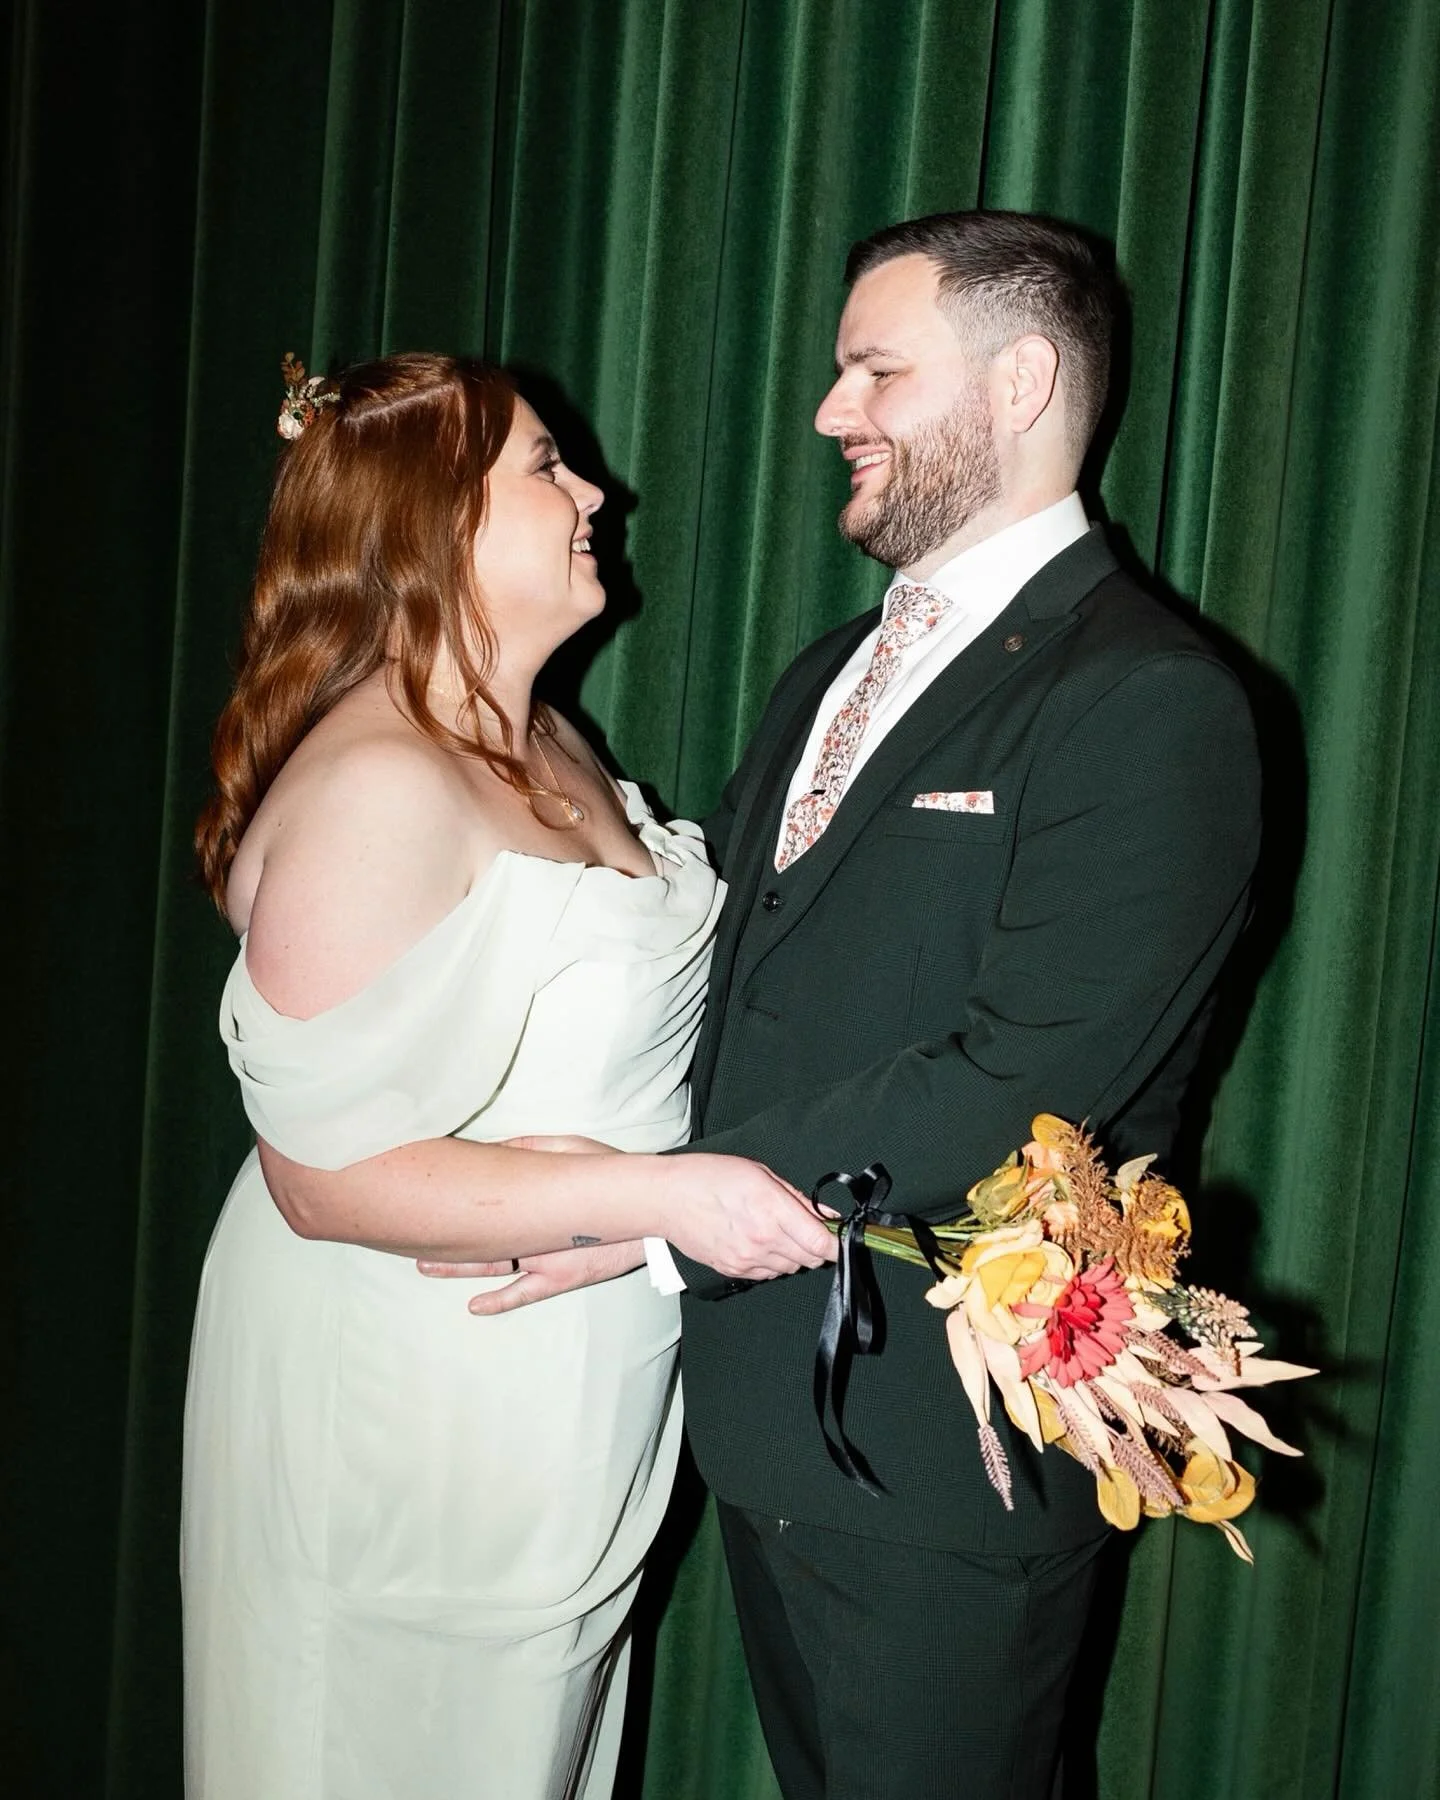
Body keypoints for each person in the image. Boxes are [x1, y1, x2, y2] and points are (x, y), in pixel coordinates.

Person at [434, 212, 1264, 1797]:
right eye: (834, 372)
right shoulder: (823, 671)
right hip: (762, 1415)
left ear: (1021, 383)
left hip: (944, 1460)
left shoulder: (1151, 699)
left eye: (876, 369)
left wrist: (658, 1207)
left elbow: (1029, 1072)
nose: (830, 411)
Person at [181, 352, 834, 1800]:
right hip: (403, 1411)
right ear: (430, 528)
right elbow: (323, 1178)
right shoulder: (376, 783)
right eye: (545, 465)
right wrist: (674, 1194)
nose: (598, 489)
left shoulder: (546, 739)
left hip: (556, 1399)